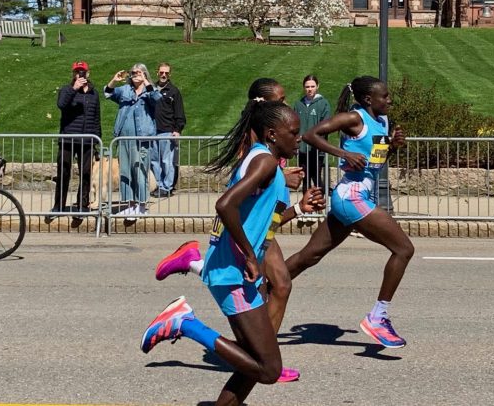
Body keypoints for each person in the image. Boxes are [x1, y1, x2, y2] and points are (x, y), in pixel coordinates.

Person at [141, 100, 323, 406]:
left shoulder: (266, 163)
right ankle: (184, 323)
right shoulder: (264, 162)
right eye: (293, 132)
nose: (299, 137)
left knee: (251, 363)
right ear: (272, 134)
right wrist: (251, 256)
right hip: (234, 272)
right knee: (269, 369)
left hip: (237, 273)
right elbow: (225, 205)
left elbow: (265, 223)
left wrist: (299, 208)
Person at [284, 75, 414, 349]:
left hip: (357, 195)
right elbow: (311, 135)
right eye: (385, 96)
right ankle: (377, 318)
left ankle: (263, 289)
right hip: (351, 195)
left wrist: (391, 145)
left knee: (310, 256)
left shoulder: (381, 121)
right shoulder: (354, 118)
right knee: (403, 249)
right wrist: (342, 155)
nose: (390, 100)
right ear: (369, 99)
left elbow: (374, 160)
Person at [105, 63, 161, 217]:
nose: (134, 74)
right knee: (125, 171)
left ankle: (141, 205)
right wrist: (114, 80)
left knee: (139, 170)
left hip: (141, 138)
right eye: (133, 72)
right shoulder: (125, 90)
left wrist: (146, 82)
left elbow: (158, 100)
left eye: (138, 72)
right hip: (124, 137)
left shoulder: (150, 91)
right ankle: (129, 204)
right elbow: (108, 93)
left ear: (144, 74)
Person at [53, 61, 102, 214]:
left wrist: (97, 139)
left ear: (88, 73)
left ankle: (82, 204)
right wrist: (74, 89)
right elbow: (61, 105)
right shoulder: (67, 89)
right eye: (77, 72)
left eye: (82, 72)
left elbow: (96, 117)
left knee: (86, 173)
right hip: (68, 138)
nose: (79, 74)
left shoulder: (94, 93)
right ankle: (59, 205)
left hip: (87, 140)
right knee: (64, 172)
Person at [152, 62, 186, 197]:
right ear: (157, 73)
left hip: (167, 130)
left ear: (169, 74)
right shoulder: (152, 89)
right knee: (154, 161)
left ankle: (166, 187)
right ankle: (158, 185)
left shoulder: (174, 91)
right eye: (161, 72)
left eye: (166, 73)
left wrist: (177, 129)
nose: (163, 75)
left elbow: (180, 113)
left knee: (167, 161)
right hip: (152, 130)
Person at [293, 74, 331, 190]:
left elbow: (326, 126)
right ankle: (305, 206)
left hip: (316, 148)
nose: (310, 89)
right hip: (302, 149)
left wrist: (316, 139)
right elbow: (294, 125)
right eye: (307, 86)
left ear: (317, 86)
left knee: (316, 177)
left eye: (312, 86)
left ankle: (321, 204)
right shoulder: (298, 104)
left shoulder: (323, 103)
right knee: (305, 178)